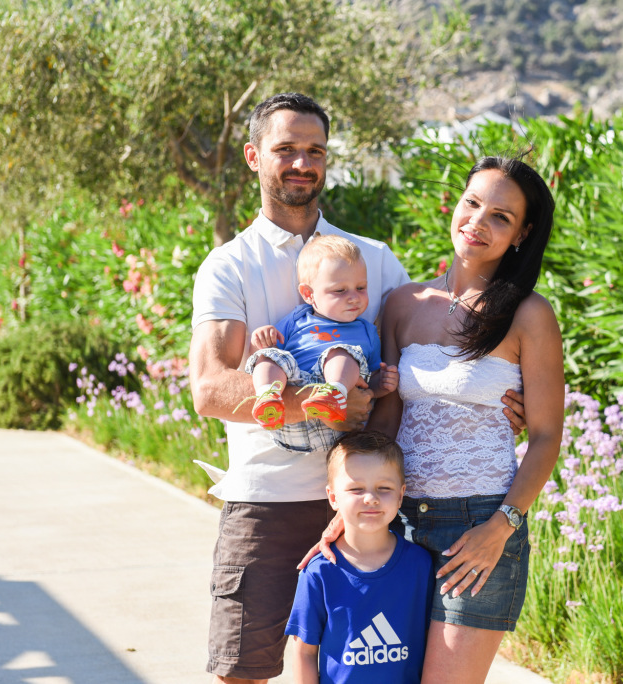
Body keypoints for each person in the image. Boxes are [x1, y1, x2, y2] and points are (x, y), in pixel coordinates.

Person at [189, 92, 528, 684]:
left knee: (371, 672)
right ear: (252, 156)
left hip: (370, 507)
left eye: (314, 150)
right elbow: (211, 389)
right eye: (285, 149)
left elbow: (424, 346)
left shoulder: (371, 259)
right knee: (240, 670)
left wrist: (494, 406)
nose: (301, 162)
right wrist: (336, 402)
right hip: (266, 499)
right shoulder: (229, 266)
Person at [305, 155, 564, 683]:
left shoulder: (529, 314)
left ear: (521, 234)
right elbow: (387, 420)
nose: (477, 221)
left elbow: (545, 437)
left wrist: (502, 526)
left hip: (478, 527)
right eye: (472, 203)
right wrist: (352, 506)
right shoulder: (403, 303)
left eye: (500, 216)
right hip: (394, 522)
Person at [286, 430, 433, 684]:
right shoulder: (319, 572)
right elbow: (304, 652)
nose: (371, 498)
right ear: (333, 497)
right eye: (356, 489)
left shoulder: (421, 564)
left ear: (401, 495)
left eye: (384, 488)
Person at [242, 235, 398, 452]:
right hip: (289, 418)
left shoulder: (366, 331)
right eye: (340, 291)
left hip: (337, 423)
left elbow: (367, 383)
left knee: (342, 353)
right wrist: (262, 339)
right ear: (308, 294)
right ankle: (268, 397)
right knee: (269, 357)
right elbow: (263, 357)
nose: (353, 297)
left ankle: (333, 392)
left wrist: (381, 385)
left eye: (361, 288)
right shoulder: (297, 319)